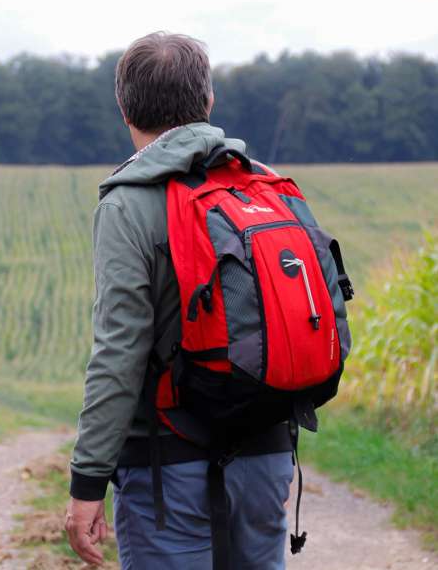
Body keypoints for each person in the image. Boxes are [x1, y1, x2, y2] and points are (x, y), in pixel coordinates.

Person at [66, 33, 296, 569]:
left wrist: (87, 481)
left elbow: (119, 353)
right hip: (266, 454)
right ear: (208, 101)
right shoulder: (262, 186)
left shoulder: (129, 205)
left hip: (166, 469)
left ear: (123, 106)